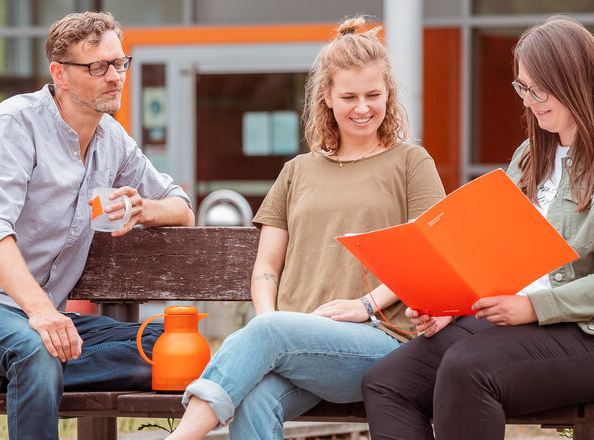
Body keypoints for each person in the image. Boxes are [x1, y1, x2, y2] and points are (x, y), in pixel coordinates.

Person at [359, 15, 594, 439]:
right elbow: (493, 254)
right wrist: (449, 305)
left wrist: (533, 308)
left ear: (577, 80)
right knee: (387, 382)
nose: (529, 100)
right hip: (532, 325)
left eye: (540, 88)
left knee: (468, 368)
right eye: (523, 87)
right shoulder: (530, 157)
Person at [0, 11, 194, 440]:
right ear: (59, 74)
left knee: (163, 347)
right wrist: (42, 312)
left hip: (36, 319)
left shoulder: (112, 139)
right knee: (35, 351)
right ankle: (21, 369)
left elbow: (183, 208)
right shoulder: (13, 127)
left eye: (119, 63)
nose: (115, 76)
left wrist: (144, 209)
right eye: (97, 67)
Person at [164, 16, 446, 440]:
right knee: (255, 401)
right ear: (327, 98)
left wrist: (366, 305)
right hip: (294, 342)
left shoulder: (411, 163)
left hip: (379, 341)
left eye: (374, 94)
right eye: (349, 96)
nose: (363, 107)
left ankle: (180, 437)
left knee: (269, 335)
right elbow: (266, 267)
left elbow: (428, 252)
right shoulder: (296, 171)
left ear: (389, 93)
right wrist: (268, 324)